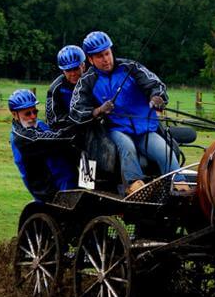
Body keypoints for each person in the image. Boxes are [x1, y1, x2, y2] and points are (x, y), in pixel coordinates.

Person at [69, 30, 181, 195]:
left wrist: (157, 97)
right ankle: (133, 185)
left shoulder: (131, 68)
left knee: (164, 150)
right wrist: (99, 110)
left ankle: (178, 183)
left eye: (107, 53)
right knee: (127, 146)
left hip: (145, 129)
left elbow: (154, 84)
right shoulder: (87, 81)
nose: (106, 59)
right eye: (99, 56)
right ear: (91, 60)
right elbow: (76, 110)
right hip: (115, 129)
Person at [9, 89, 76, 201]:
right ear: (14, 114)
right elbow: (56, 138)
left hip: (62, 177)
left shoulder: (38, 124)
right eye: (27, 113)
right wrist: (77, 131)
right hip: (46, 187)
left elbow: (54, 134)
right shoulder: (22, 137)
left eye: (35, 112)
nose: (33, 116)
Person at [45, 45, 86, 128]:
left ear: (83, 66)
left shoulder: (93, 81)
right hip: (67, 131)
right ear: (63, 71)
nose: (73, 73)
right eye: (68, 70)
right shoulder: (55, 89)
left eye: (76, 68)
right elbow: (53, 120)